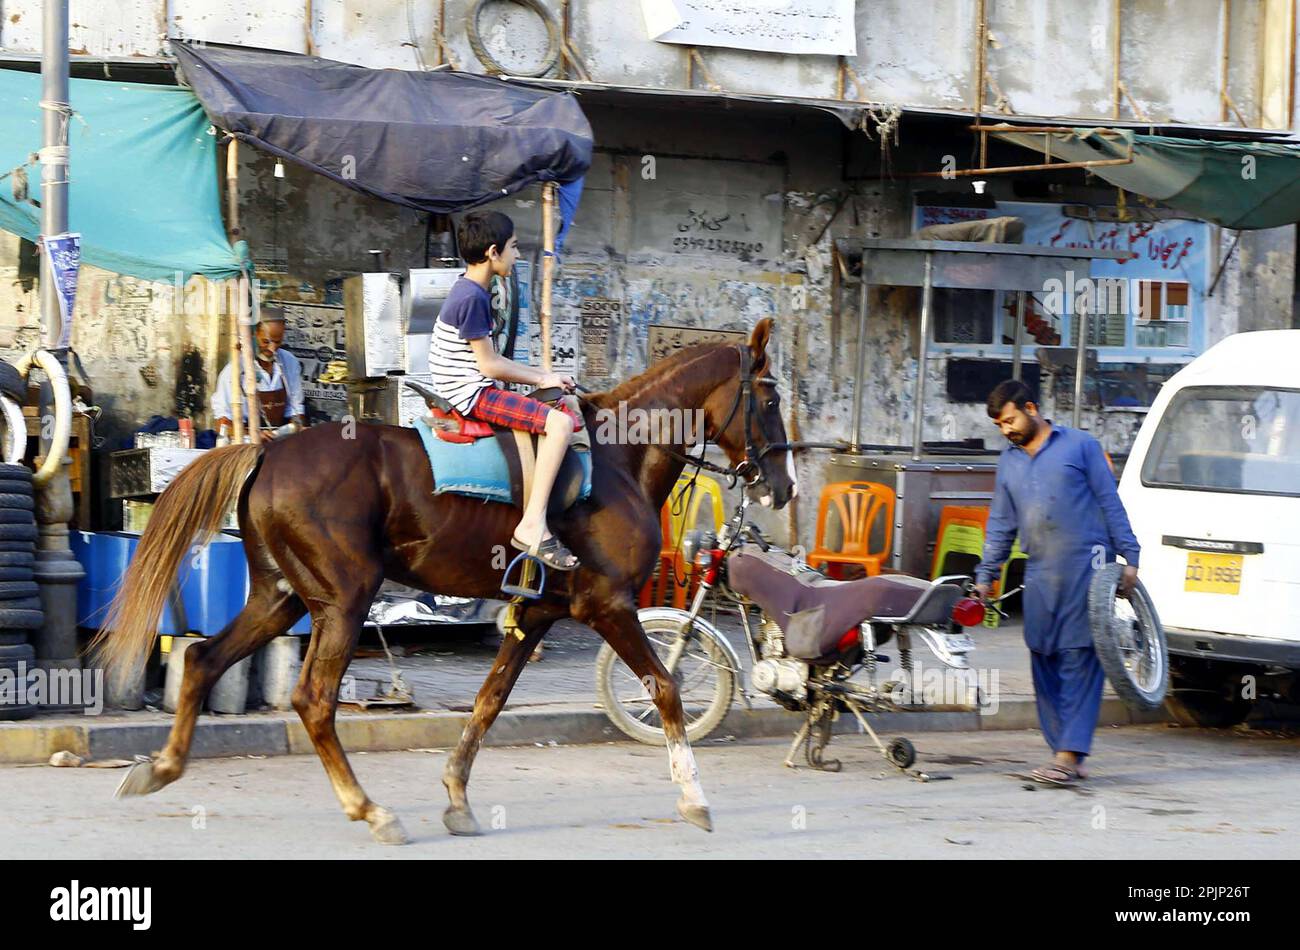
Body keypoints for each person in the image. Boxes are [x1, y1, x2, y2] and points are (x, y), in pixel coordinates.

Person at [973, 379, 1140, 786]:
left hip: (1087, 567)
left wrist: (1130, 556)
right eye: (999, 425)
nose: (1006, 430)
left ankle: (1069, 754)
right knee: (1043, 654)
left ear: (1031, 408)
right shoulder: (1009, 462)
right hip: (1040, 572)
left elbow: (1108, 500)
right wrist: (985, 576)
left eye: (1010, 420)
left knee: (1080, 656)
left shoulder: (1080, 446)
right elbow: (1000, 524)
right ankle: (1064, 753)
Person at [429, 210, 583, 571]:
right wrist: (543, 377)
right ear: (494, 252)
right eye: (513, 248)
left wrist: (546, 378)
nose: (516, 255)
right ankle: (532, 525)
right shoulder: (473, 298)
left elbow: (491, 360)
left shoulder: (469, 288)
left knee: (559, 399)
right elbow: (489, 366)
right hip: (471, 394)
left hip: (470, 385)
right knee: (559, 425)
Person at [212, 309, 308, 441]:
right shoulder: (233, 372)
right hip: (246, 444)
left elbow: (296, 409)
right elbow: (222, 424)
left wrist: (298, 426)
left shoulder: (289, 362)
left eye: (277, 342)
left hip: (280, 443)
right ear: (254, 334)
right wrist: (252, 434)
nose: (272, 349)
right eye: (266, 342)